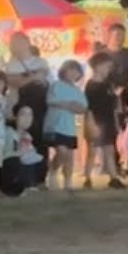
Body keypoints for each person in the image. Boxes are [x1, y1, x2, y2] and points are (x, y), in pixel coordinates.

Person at [3, 33, 50, 180]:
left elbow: (43, 81)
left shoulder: (41, 62)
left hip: (39, 107)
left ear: (26, 43)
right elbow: (13, 81)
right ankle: (20, 175)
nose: (15, 45)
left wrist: (25, 78)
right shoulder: (11, 64)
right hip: (18, 105)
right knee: (18, 140)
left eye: (17, 42)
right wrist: (32, 77)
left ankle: (40, 176)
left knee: (39, 140)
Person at [82, 53, 125, 189]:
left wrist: (116, 122)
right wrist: (90, 123)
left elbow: (113, 106)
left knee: (109, 149)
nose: (109, 69)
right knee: (92, 151)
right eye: (107, 66)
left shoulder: (108, 84)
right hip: (95, 120)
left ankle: (113, 178)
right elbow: (88, 107)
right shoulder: (90, 85)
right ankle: (87, 177)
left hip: (108, 120)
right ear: (97, 66)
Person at [43, 60, 88, 191]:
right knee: (61, 151)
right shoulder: (56, 85)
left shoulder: (78, 91)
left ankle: (67, 181)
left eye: (76, 71)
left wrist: (75, 107)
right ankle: (52, 171)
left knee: (69, 155)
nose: (73, 73)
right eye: (70, 70)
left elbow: (83, 107)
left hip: (69, 127)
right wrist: (67, 104)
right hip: (55, 124)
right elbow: (50, 100)